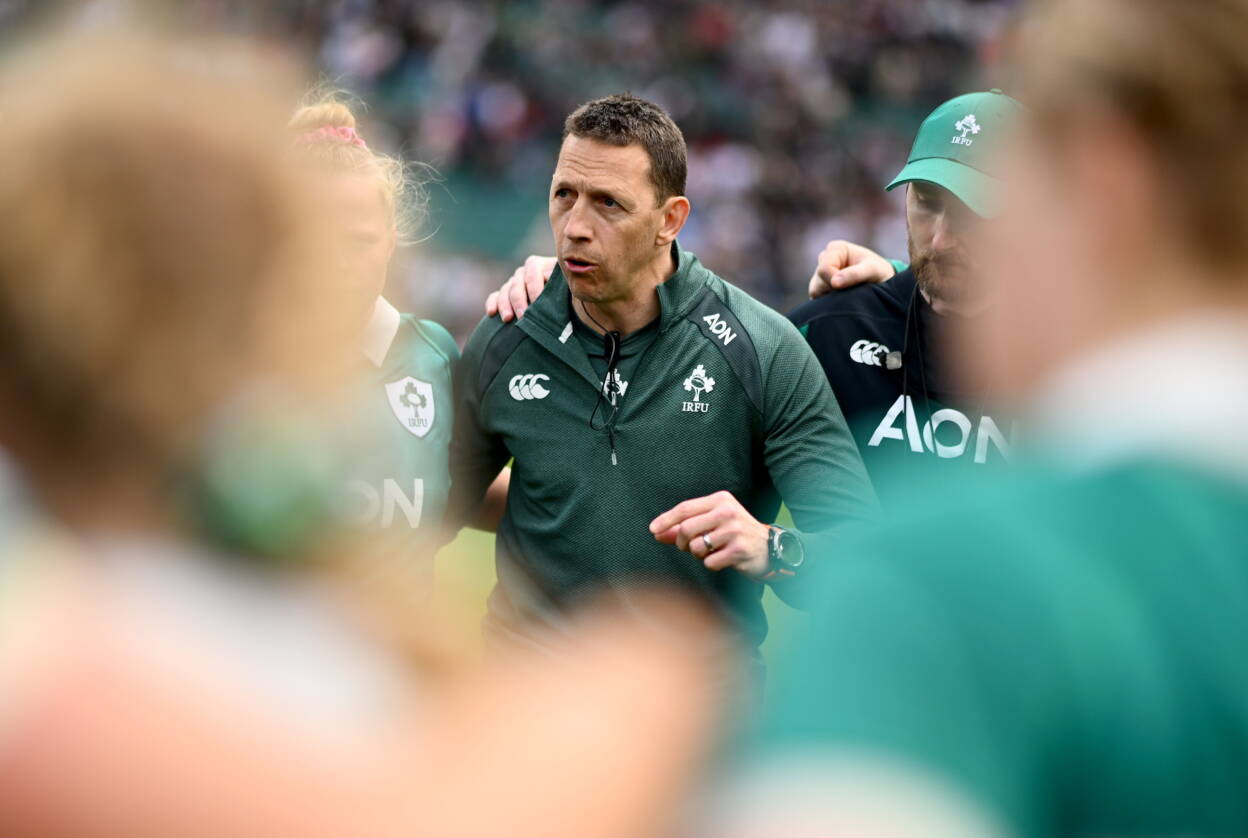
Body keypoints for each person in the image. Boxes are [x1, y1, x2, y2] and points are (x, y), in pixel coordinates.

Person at [0, 31, 722, 837]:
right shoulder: (80, 639)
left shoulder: (424, 358)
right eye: (316, 243)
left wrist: (605, 501)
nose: (341, 269)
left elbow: (448, 489)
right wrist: (649, 665)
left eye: (360, 241)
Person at [707, 0, 1248, 835]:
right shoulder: (830, 331)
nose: (947, 234)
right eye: (928, 202)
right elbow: (716, 515)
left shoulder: (946, 555)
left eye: (984, 211)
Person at [450, 93, 878, 659]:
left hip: (691, 718)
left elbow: (867, 564)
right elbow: (430, 504)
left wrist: (773, 547)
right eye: (564, 196)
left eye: (608, 203)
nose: (575, 226)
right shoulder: (507, 335)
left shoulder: (763, 350)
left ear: (670, 220)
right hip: (525, 704)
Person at [283, 91, 509, 595]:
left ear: (390, 238)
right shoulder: (236, 360)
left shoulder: (431, 355)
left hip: (395, 667)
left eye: (358, 241)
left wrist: (617, 518)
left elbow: (461, 488)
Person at [788, 91, 1023, 504]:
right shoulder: (826, 336)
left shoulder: (1085, 369)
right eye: (926, 203)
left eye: (973, 213)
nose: (940, 239)